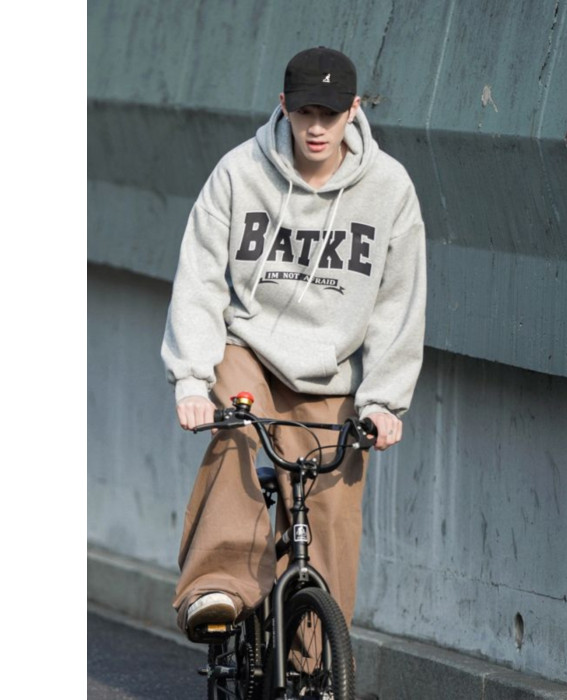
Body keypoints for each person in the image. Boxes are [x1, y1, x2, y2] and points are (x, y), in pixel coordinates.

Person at [161, 46, 426, 639]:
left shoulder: (389, 188)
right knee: (237, 431)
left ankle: (315, 659)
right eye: (305, 111)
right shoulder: (239, 173)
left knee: (330, 507)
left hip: (331, 369)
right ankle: (217, 587)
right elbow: (200, 279)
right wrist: (192, 380)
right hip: (248, 350)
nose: (316, 127)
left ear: (353, 111)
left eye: (329, 114)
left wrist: (383, 400)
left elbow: (399, 302)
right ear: (283, 105)